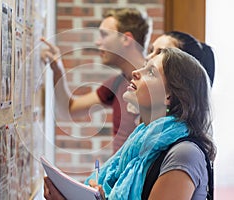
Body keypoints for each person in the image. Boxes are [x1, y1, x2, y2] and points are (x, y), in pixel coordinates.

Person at [44, 47, 216, 199]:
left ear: (168, 96)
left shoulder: (184, 154)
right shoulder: (141, 142)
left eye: (150, 72)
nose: (136, 72)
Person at [41, 8, 152, 153]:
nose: (98, 42)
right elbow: (69, 109)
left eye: (104, 35)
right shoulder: (116, 83)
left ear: (126, 39)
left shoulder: (157, 85)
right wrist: (58, 70)